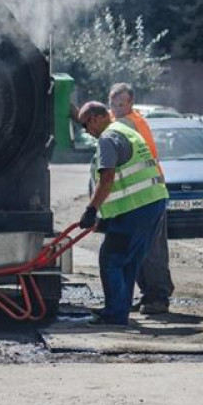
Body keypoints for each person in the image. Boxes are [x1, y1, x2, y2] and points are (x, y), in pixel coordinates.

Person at [77, 101, 170, 326]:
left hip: (137, 207)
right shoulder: (124, 130)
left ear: (97, 118)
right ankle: (118, 310)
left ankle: (115, 314)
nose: (86, 131)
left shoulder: (108, 138)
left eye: (85, 125)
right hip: (151, 203)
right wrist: (107, 219)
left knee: (111, 259)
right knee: (128, 261)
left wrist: (91, 210)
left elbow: (107, 178)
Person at [108, 83, 175, 315]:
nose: (115, 109)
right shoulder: (124, 119)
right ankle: (150, 294)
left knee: (152, 251)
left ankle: (158, 297)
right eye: (113, 104)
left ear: (130, 103)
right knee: (140, 250)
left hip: (148, 194)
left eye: (120, 104)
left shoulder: (128, 124)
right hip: (142, 195)